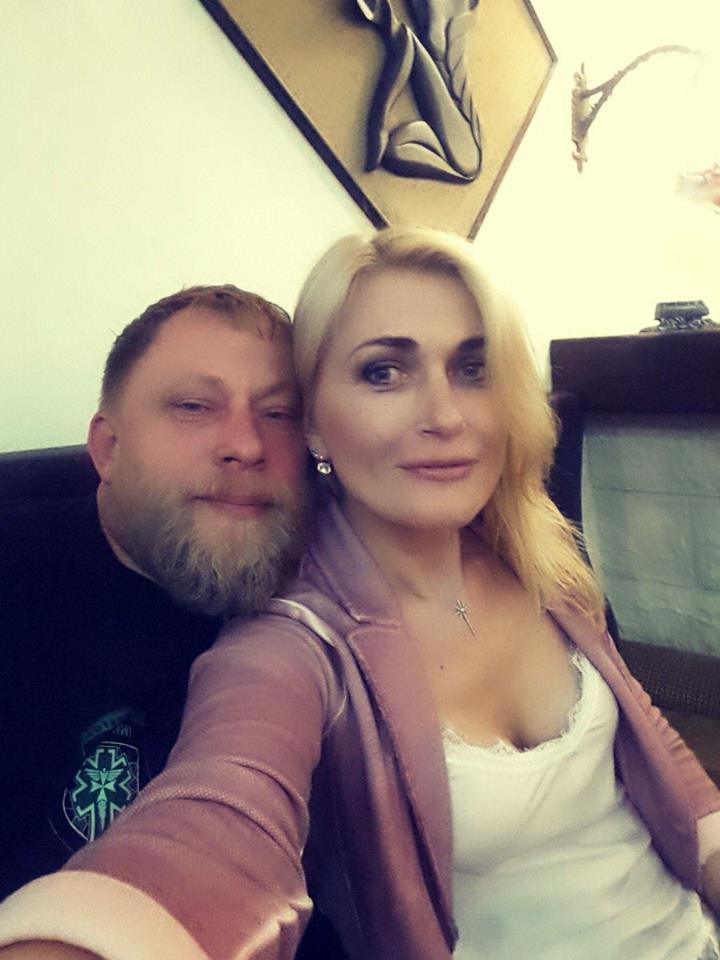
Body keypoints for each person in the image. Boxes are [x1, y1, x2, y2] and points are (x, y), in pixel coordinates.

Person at [1, 228, 719, 960]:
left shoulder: (538, 552)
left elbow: (657, 757)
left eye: (473, 368)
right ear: (319, 425)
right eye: (383, 372)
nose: (446, 415)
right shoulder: (287, 641)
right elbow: (220, 819)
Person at [0, 284, 344, 956]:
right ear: (108, 448)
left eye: (278, 413)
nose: (246, 444)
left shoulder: (334, 587)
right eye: (193, 406)